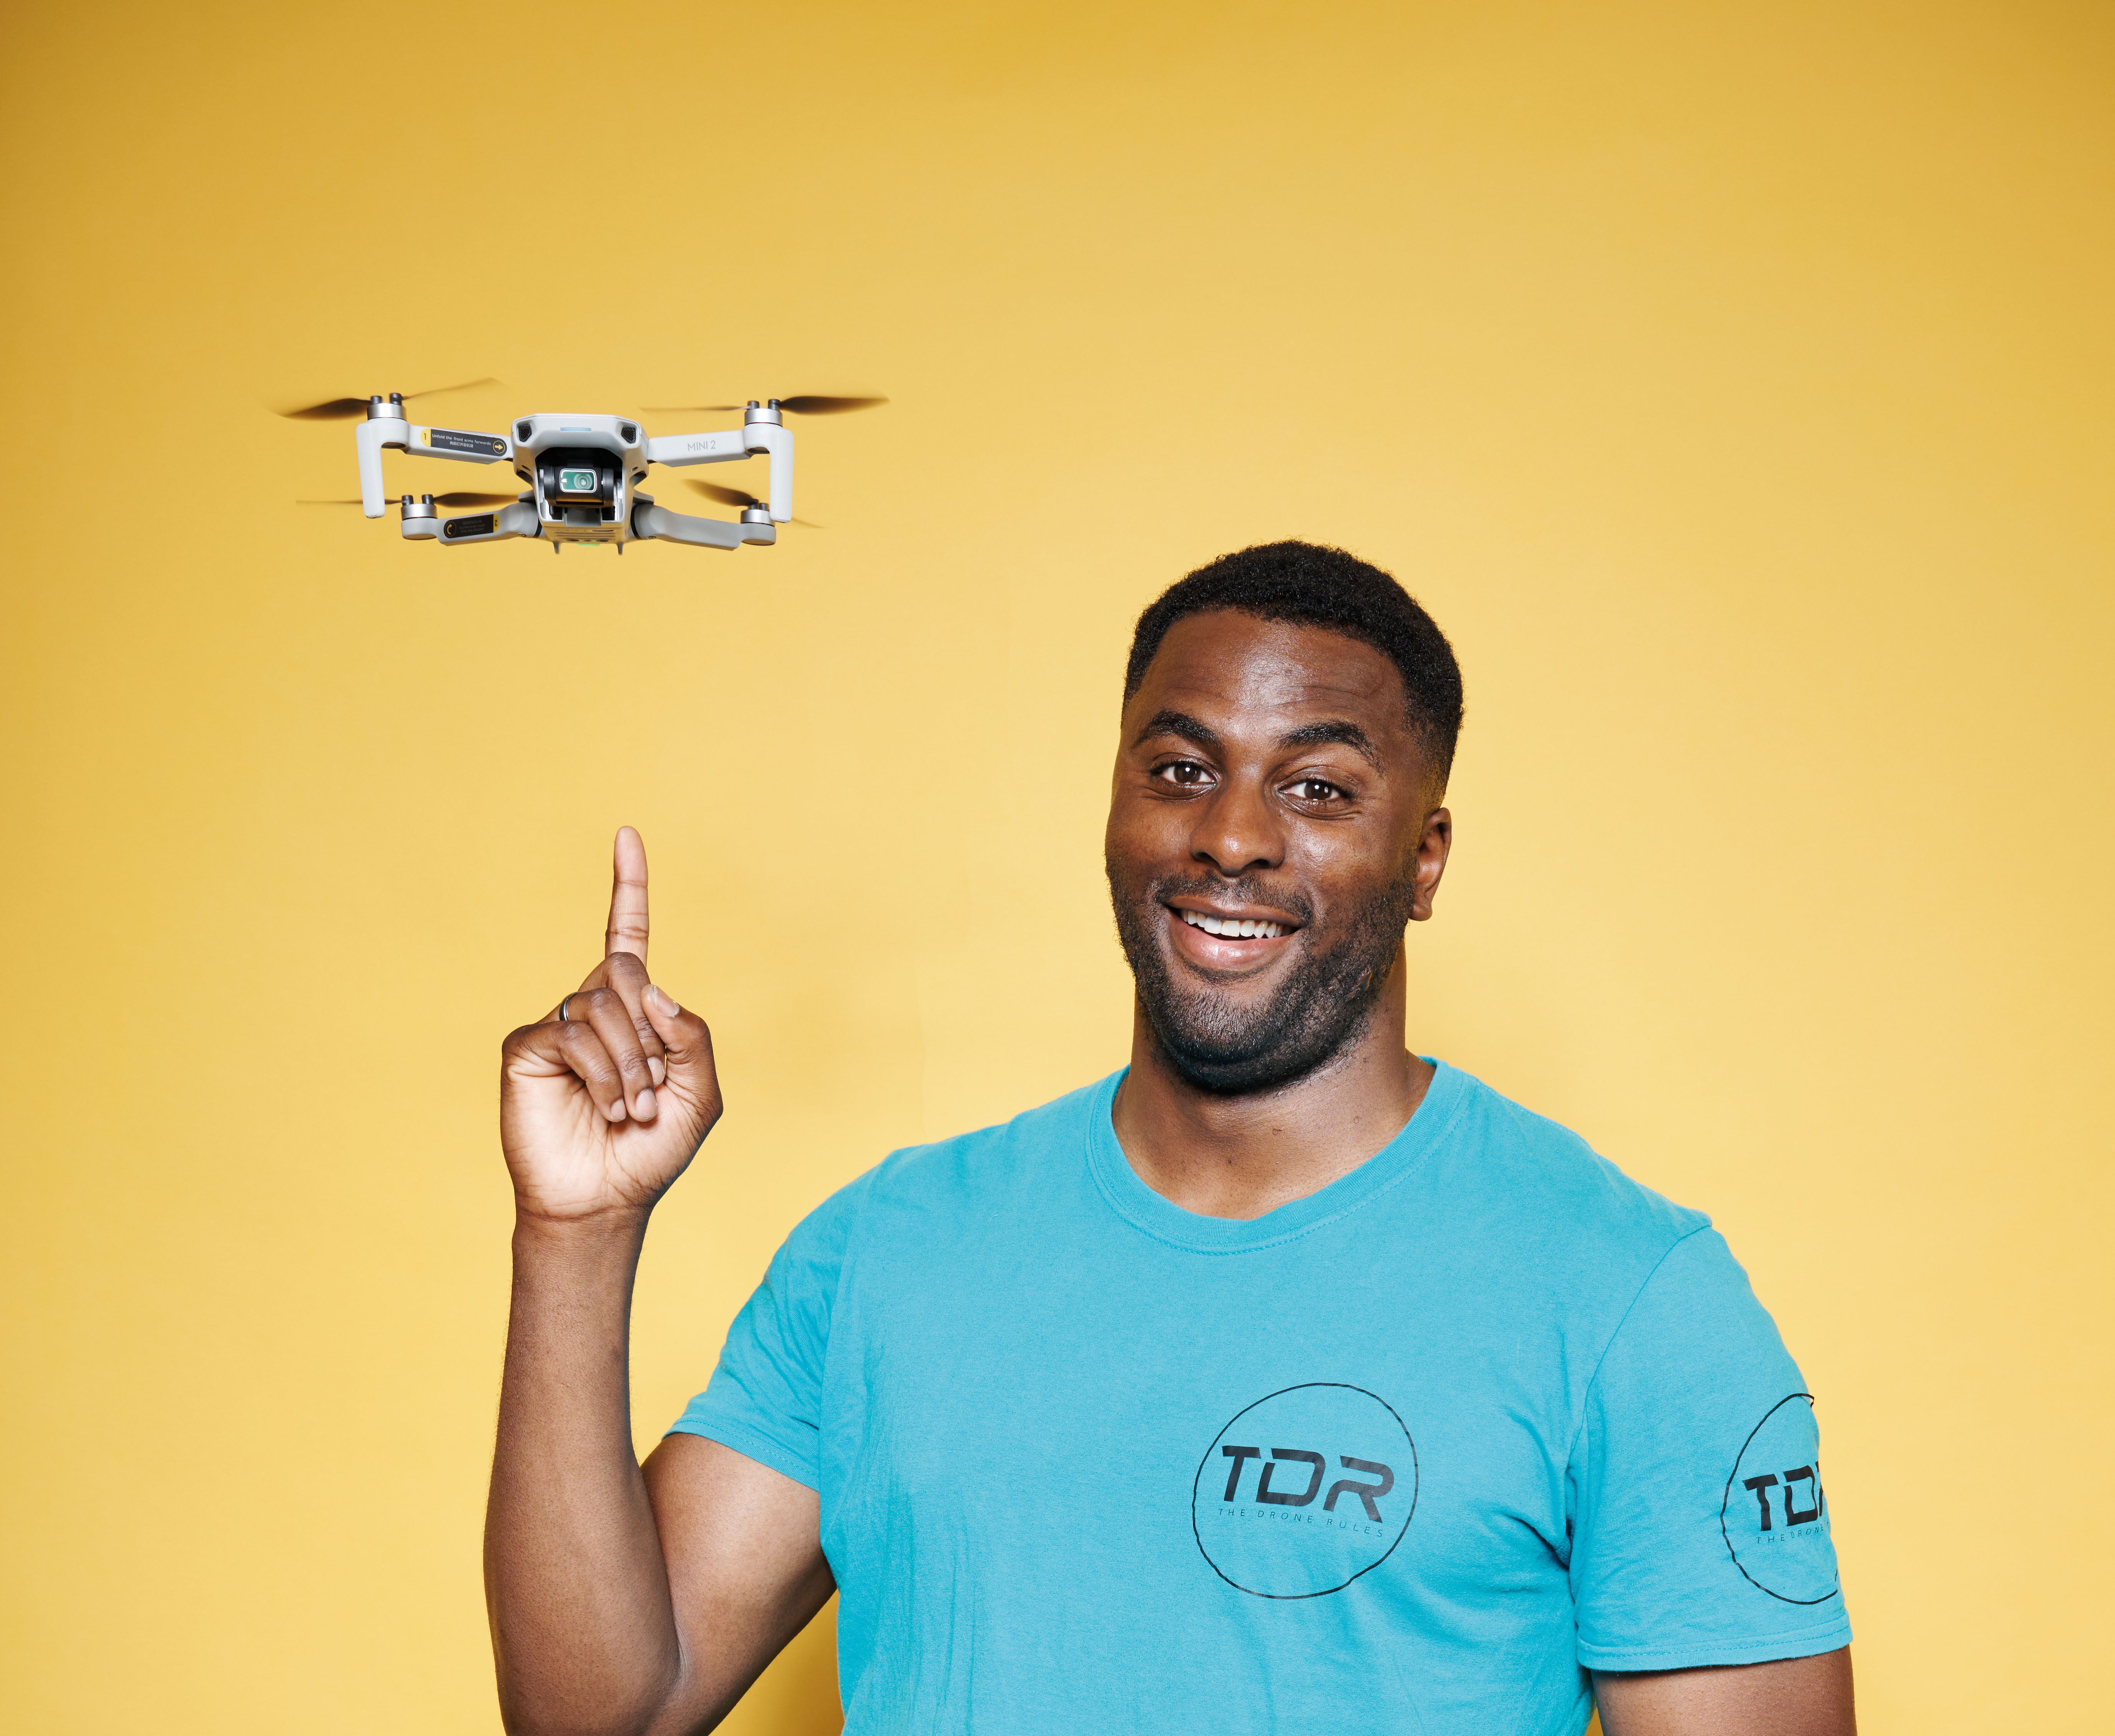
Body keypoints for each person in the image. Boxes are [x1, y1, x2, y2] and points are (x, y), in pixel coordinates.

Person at [484, 541, 1855, 1736]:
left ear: (1425, 859)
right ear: (1116, 809)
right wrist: (578, 1234)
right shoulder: (886, 1250)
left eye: (1319, 789)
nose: (1234, 837)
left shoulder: (1630, 1296)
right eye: (1183, 770)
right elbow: (605, 1709)